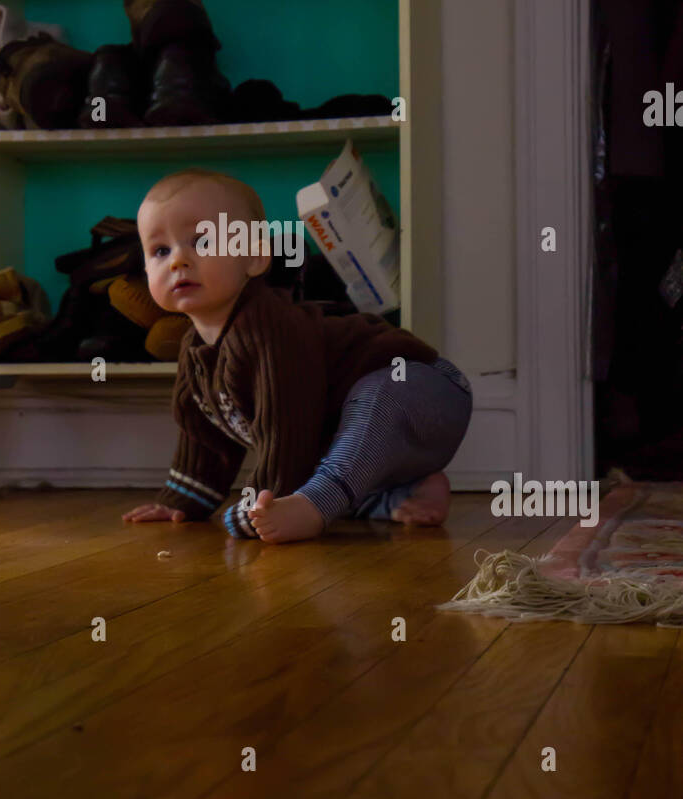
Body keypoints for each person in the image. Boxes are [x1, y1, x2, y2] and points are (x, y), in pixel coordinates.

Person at [122, 168, 472, 543]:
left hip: (422, 389)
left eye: (202, 242)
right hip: (386, 447)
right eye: (160, 250)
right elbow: (204, 433)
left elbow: (286, 423)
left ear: (255, 257)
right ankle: (402, 495)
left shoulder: (270, 328)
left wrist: (263, 500)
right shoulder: (195, 351)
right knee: (330, 458)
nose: (178, 261)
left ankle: (313, 506)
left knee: (371, 400)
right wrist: (183, 499)